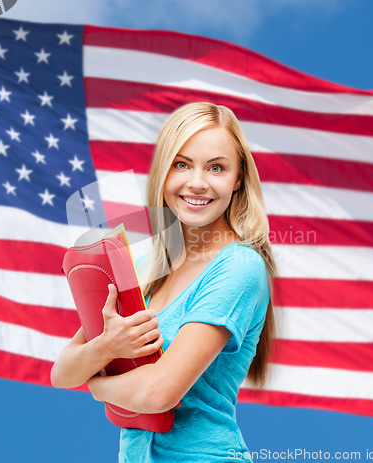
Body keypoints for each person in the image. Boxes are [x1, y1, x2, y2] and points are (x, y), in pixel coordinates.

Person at [51, 102, 277, 462]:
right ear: (163, 172)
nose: (197, 182)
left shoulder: (239, 266)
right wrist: (107, 346)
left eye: (216, 167)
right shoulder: (143, 264)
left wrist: (96, 386)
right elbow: (62, 372)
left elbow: (159, 393)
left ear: (238, 180)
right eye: (182, 164)